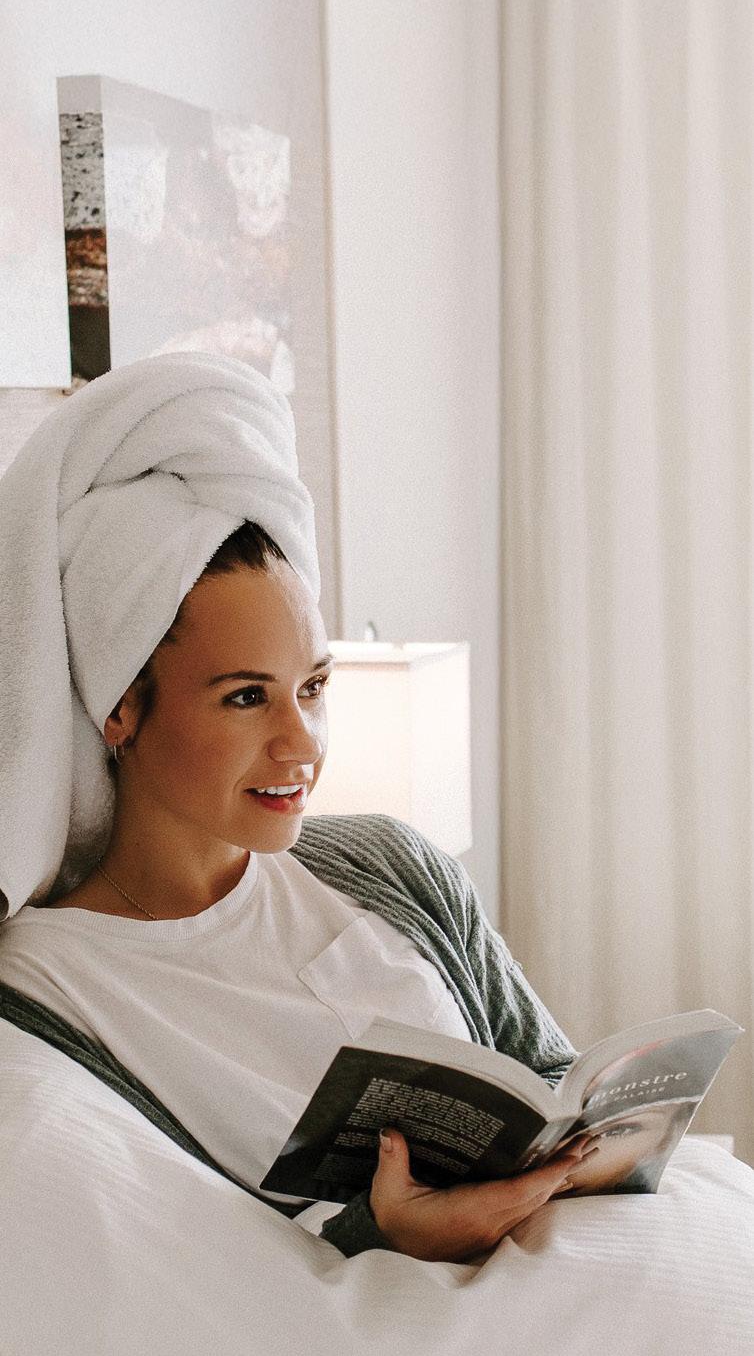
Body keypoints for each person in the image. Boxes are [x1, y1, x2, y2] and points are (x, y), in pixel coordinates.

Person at [0, 351, 594, 1264]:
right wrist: (386, 1234)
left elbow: (554, 1079)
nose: (303, 745)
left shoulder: (392, 864)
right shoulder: (49, 990)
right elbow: (188, 1272)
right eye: (246, 697)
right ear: (119, 707)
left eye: (313, 686)